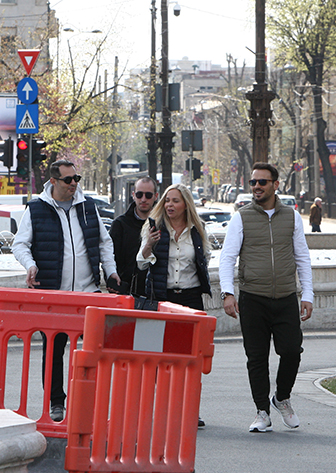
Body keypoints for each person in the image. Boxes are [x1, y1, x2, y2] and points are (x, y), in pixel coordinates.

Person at [11, 160, 120, 422]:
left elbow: (104, 243)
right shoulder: (36, 209)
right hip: (55, 295)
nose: (74, 184)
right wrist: (31, 265)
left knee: (94, 350)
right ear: (53, 181)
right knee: (53, 351)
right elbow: (20, 244)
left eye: (76, 178)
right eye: (68, 179)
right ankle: (56, 402)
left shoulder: (88, 207)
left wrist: (111, 271)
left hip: (88, 292)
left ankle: (90, 401)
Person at [219, 162, 314, 433]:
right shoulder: (242, 217)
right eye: (253, 182)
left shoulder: (292, 217)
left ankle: (281, 398)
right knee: (257, 357)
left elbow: (302, 257)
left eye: (262, 182)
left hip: (285, 297)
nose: (257, 187)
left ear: (275, 185)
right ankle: (262, 411)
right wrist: (228, 293)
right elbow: (227, 257)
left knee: (292, 351)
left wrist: (307, 294)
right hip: (253, 298)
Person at [136, 183, 211, 312]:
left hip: (191, 296)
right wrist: (149, 244)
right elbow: (141, 264)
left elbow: (205, 258)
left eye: (175, 201)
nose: (169, 205)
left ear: (186, 205)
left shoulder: (197, 229)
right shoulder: (154, 227)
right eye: (167, 201)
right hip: (162, 297)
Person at [109, 177, 159, 296]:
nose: (143, 199)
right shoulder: (120, 224)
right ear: (133, 195)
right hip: (127, 292)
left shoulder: (162, 224)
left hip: (157, 292)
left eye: (148, 195)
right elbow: (111, 257)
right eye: (139, 194)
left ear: (156, 196)